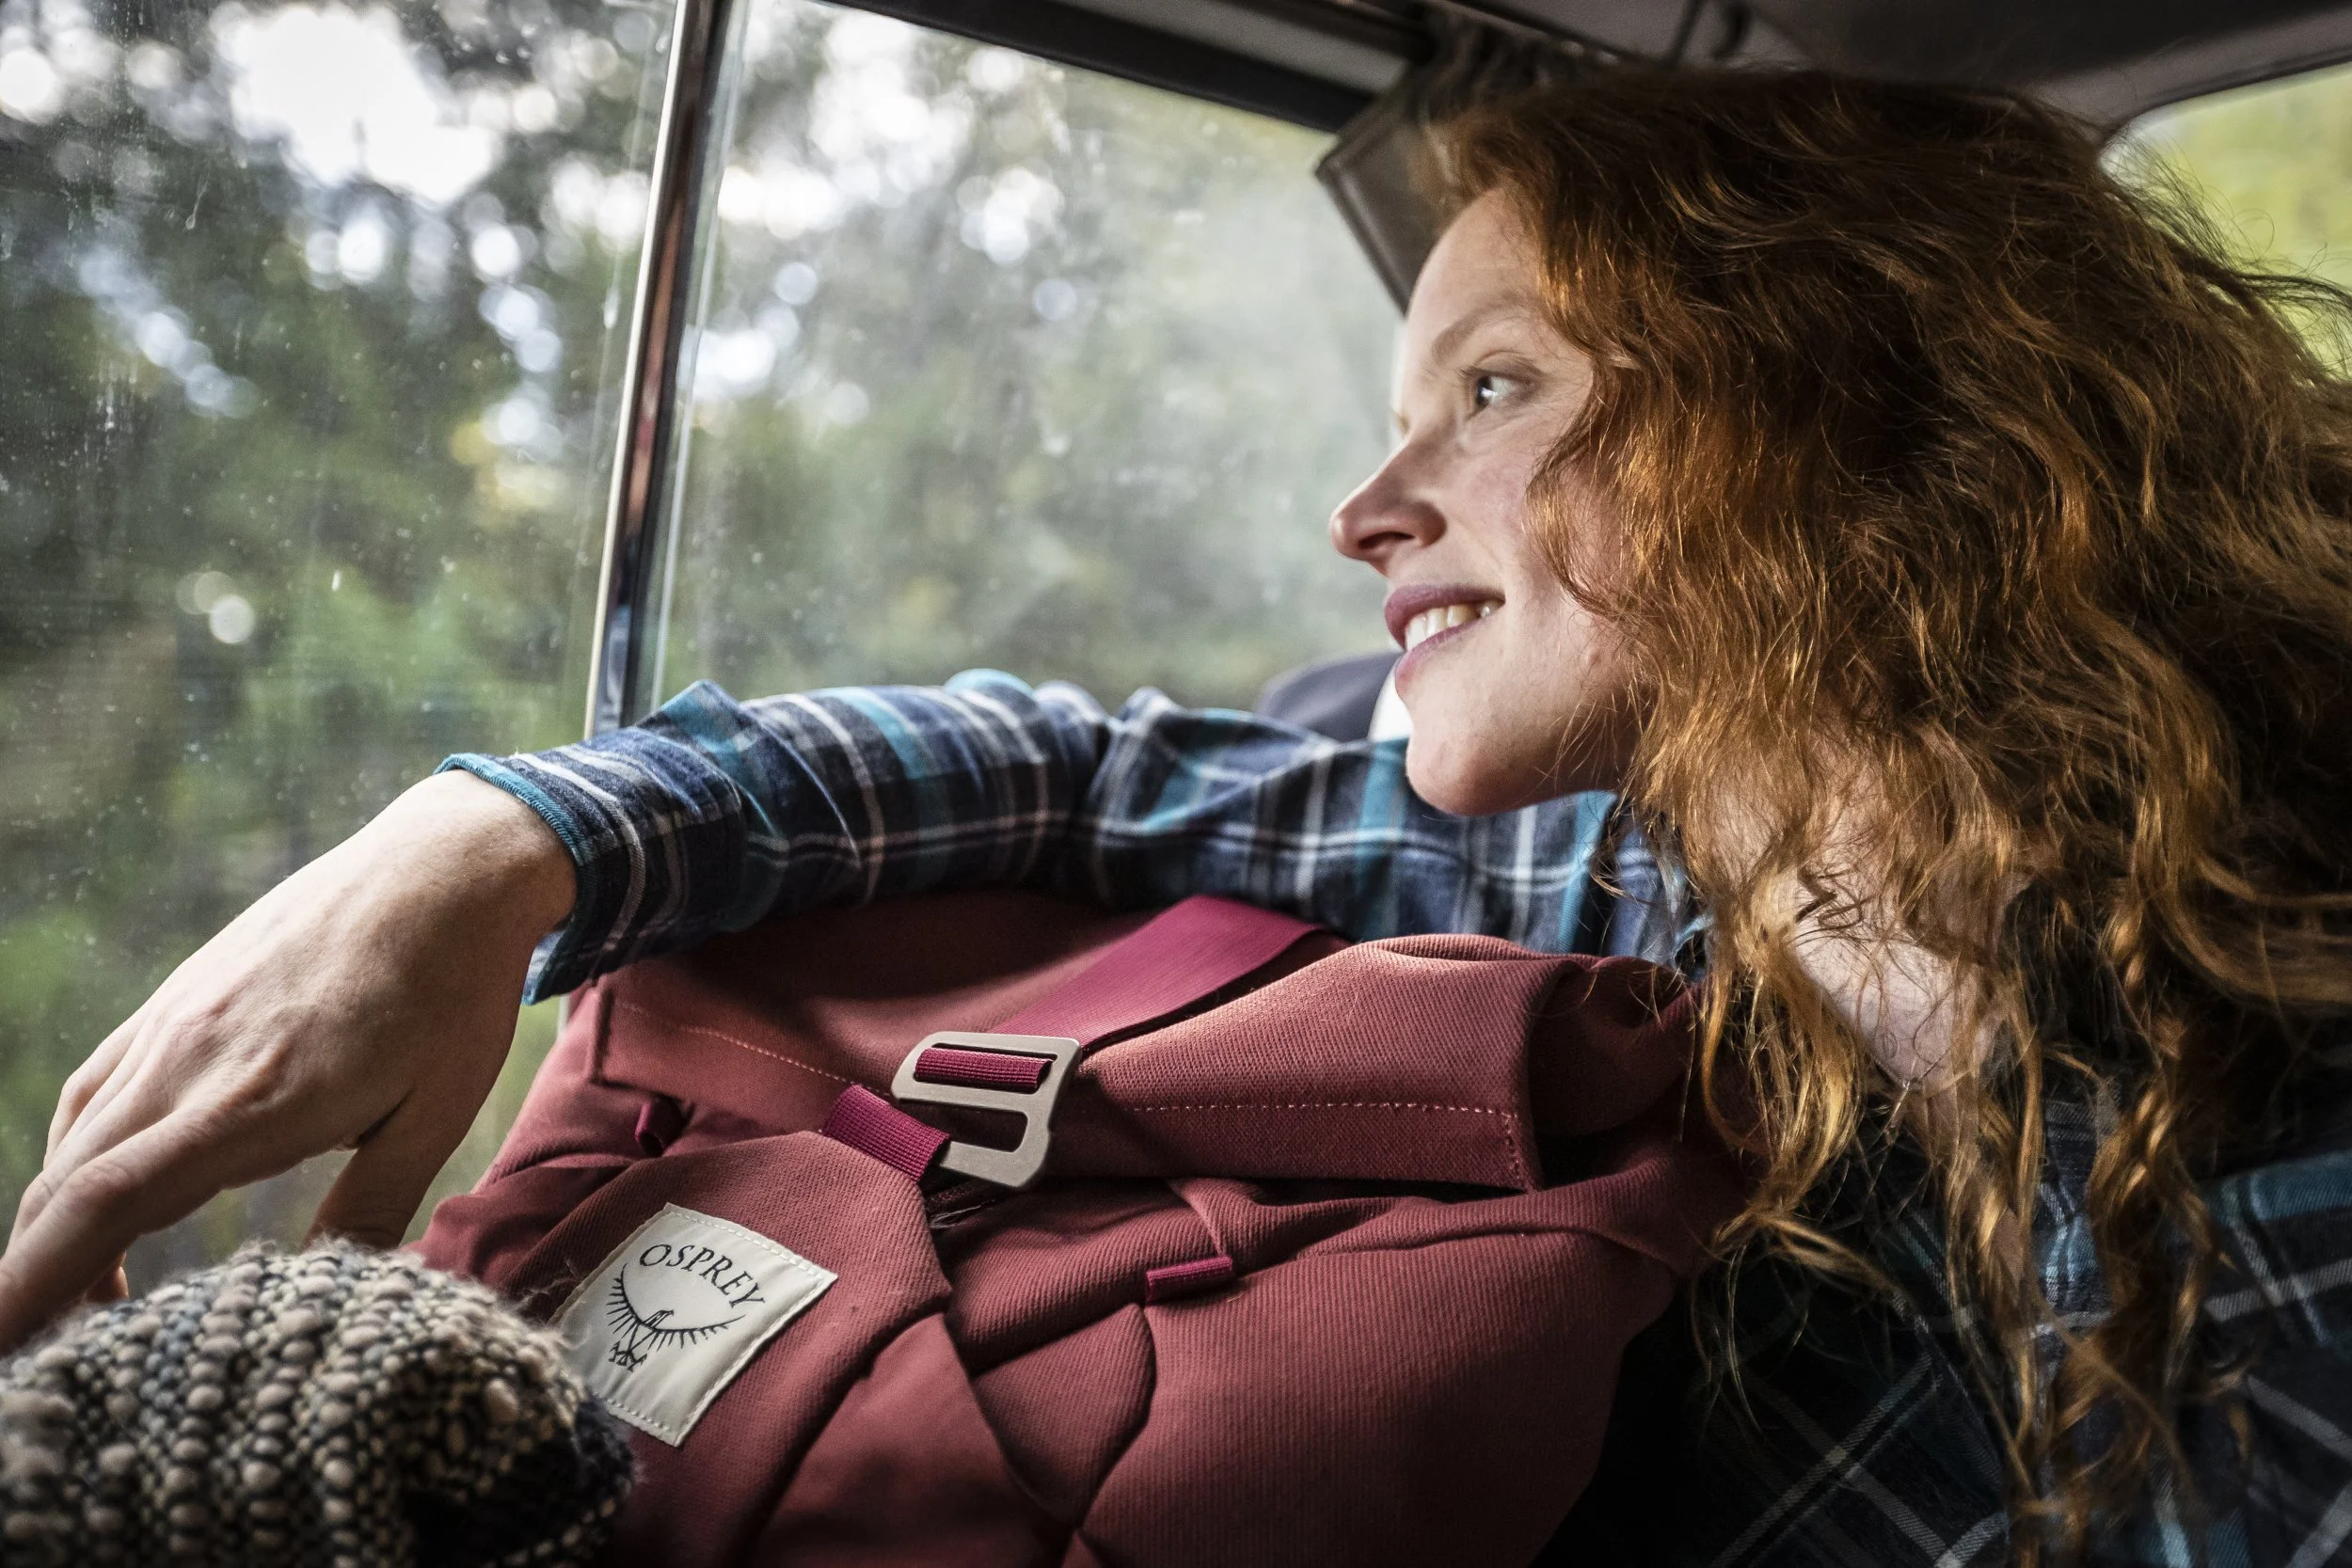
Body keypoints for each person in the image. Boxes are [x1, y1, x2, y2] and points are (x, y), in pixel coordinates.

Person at [13, 67, 2352, 1565]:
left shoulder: (2275, 1045)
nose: (1366, 504)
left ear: (1844, 409)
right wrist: (491, 842)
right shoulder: (1672, 859)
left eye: (1493, 386)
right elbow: (1090, 770)